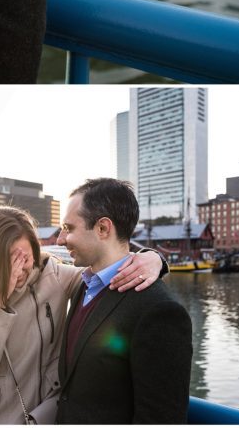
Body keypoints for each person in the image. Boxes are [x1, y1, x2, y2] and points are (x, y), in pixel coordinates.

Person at [0, 206, 166, 424]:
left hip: (43, 416)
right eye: (10, 261)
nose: (19, 270)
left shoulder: (53, 275)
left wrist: (154, 259)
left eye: (25, 259)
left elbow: (109, 273)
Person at [54, 179, 192, 424]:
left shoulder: (159, 311)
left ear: (103, 229)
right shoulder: (83, 286)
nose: (60, 240)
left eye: (69, 228)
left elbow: (160, 418)